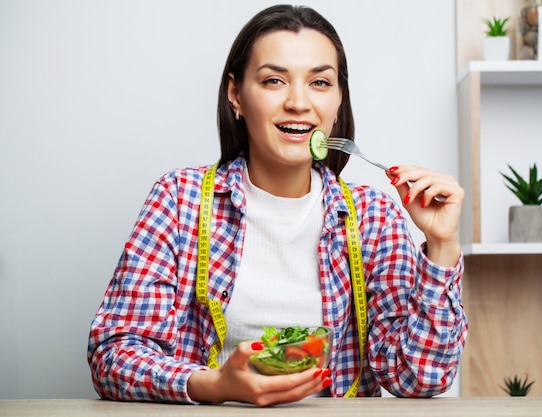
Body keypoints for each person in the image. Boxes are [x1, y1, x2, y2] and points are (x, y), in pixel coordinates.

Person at [87, 4, 468, 406]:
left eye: (320, 83)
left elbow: (420, 378)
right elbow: (113, 355)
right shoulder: (179, 201)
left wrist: (441, 246)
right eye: (274, 81)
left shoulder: (374, 217)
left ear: (339, 101)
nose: (298, 103)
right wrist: (214, 385)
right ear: (236, 95)